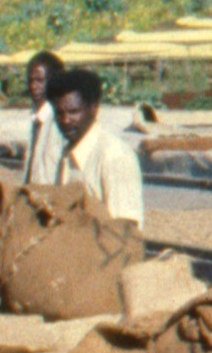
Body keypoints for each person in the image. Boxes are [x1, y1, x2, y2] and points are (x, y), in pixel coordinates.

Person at [23, 63, 144, 233]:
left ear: (94, 108)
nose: (65, 120)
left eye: (73, 112)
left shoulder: (114, 156)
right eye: (59, 113)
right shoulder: (66, 155)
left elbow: (126, 229)